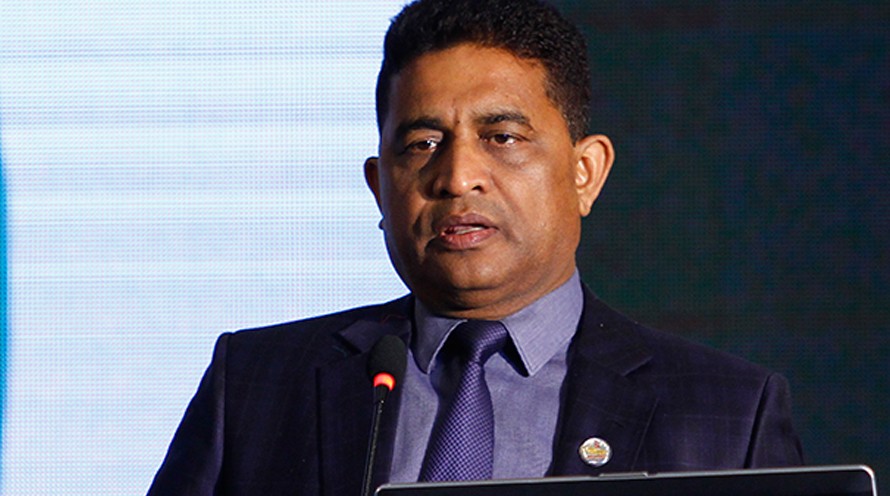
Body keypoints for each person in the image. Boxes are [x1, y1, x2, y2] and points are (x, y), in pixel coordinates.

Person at [148, 0, 803, 494]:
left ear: (585, 173)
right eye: (422, 144)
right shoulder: (256, 384)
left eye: (503, 138)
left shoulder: (727, 414)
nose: (457, 177)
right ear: (379, 187)